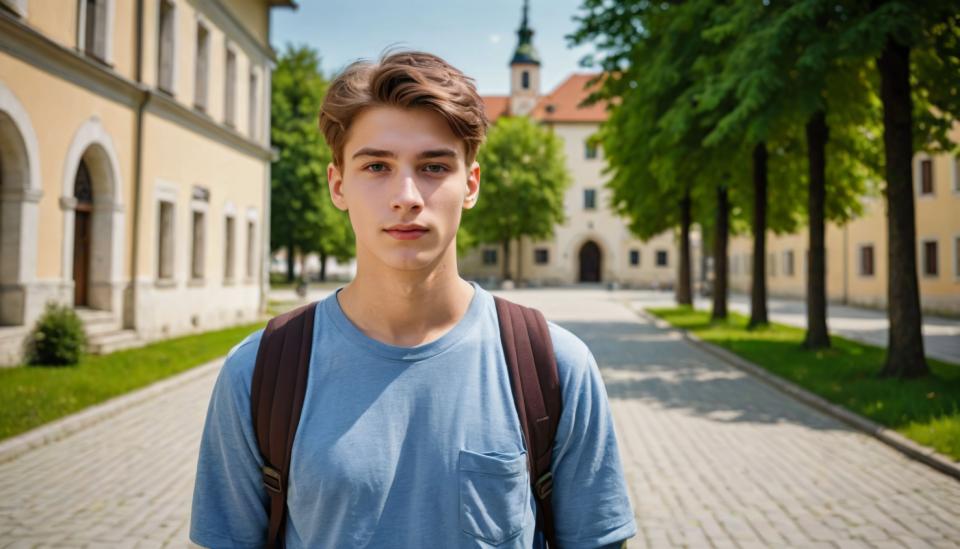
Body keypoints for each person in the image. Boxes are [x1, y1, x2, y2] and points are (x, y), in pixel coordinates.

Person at [189, 50, 637, 549]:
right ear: (338, 185)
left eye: (433, 166)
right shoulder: (258, 374)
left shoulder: (553, 368)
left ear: (470, 184)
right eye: (377, 165)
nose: (406, 195)